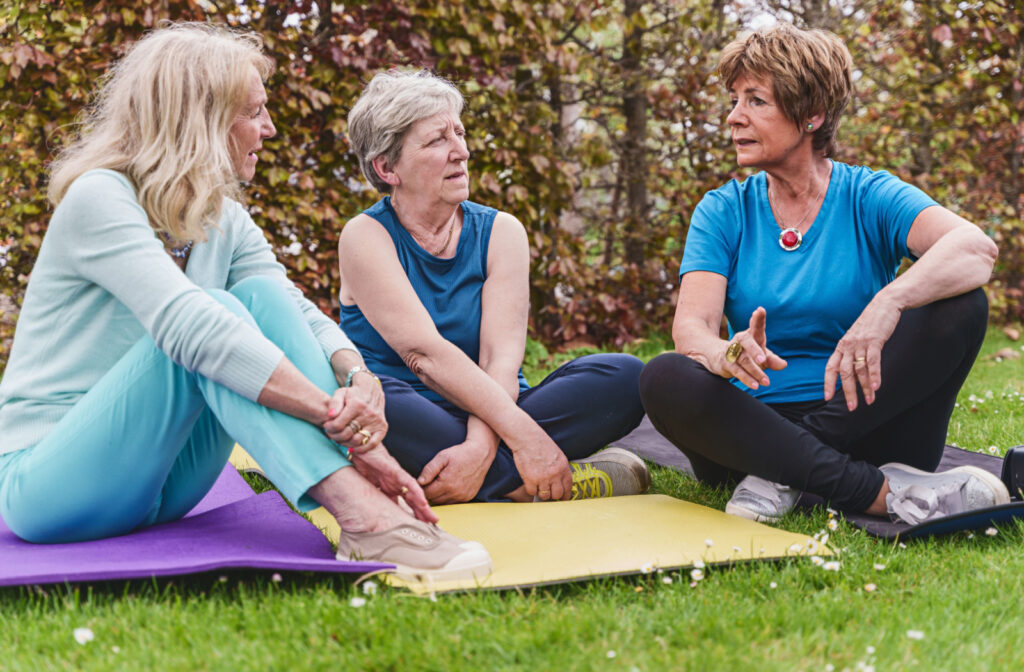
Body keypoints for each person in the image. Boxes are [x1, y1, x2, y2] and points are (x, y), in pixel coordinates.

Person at [0, 23, 491, 583]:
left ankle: (363, 504)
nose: (269, 127)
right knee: (214, 315)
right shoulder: (100, 198)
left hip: (163, 487)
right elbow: (190, 327)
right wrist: (337, 425)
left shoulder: (221, 216)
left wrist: (356, 376)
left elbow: (289, 304)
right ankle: (361, 513)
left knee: (255, 295)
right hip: (52, 486)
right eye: (254, 111)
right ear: (201, 120)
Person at [639, 23, 1009, 526]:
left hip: (871, 424)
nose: (733, 117)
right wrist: (723, 355)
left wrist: (889, 302)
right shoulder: (723, 210)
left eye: (755, 101)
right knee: (663, 376)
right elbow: (690, 329)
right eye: (734, 99)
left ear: (811, 114)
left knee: (961, 302)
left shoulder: (867, 195)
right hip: (755, 432)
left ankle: (786, 476)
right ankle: (878, 494)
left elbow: (975, 249)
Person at [338, 69, 648, 504]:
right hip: (409, 413)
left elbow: (500, 361)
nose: (461, 152)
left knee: (626, 376)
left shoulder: (502, 231)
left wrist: (483, 448)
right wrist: (526, 441)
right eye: (436, 141)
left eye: (460, 134)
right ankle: (541, 483)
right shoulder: (364, 236)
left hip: (495, 409)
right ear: (387, 167)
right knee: (366, 400)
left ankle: (469, 480)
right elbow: (423, 356)